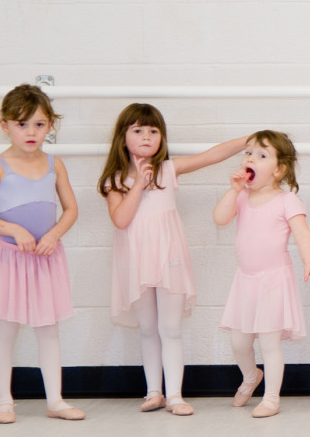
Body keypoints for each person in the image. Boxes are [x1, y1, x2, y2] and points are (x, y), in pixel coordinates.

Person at [98, 104, 247, 416]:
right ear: (122, 137)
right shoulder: (115, 179)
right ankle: (154, 392)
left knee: (171, 328)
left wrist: (249, 139)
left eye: (153, 131)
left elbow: (211, 156)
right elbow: (121, 220)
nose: (147, 136)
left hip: (169, 260)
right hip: (137, 263)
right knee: (148, 329)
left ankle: (176, 395)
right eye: (138, 130)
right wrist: (138, 183)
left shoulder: (168, 169)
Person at [0, 85, 84, 423]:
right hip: (9, 258)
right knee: (6, 329)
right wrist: (14, 230)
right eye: (21, 124)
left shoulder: (54, 163)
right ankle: (4, 401)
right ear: (5, 125)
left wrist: (54, 234)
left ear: (50, 126)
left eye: (39, 124)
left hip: (46, 258)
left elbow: (71, 209)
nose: (30, 132)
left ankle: (56, 400)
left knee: (48, 329)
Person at [213, 131, 310, 418]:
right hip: (245, 280)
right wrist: (234, 190)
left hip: (274, 280)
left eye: (261, 155)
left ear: (278, 169)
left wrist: (309, 262)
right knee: (239, 342)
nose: (251, 159)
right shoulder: (242, 196)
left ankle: (271, 398)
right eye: (248, 153)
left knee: (270, 343)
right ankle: (251, 376)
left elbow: (303, 234)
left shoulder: (287, 201)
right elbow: (220, 218)